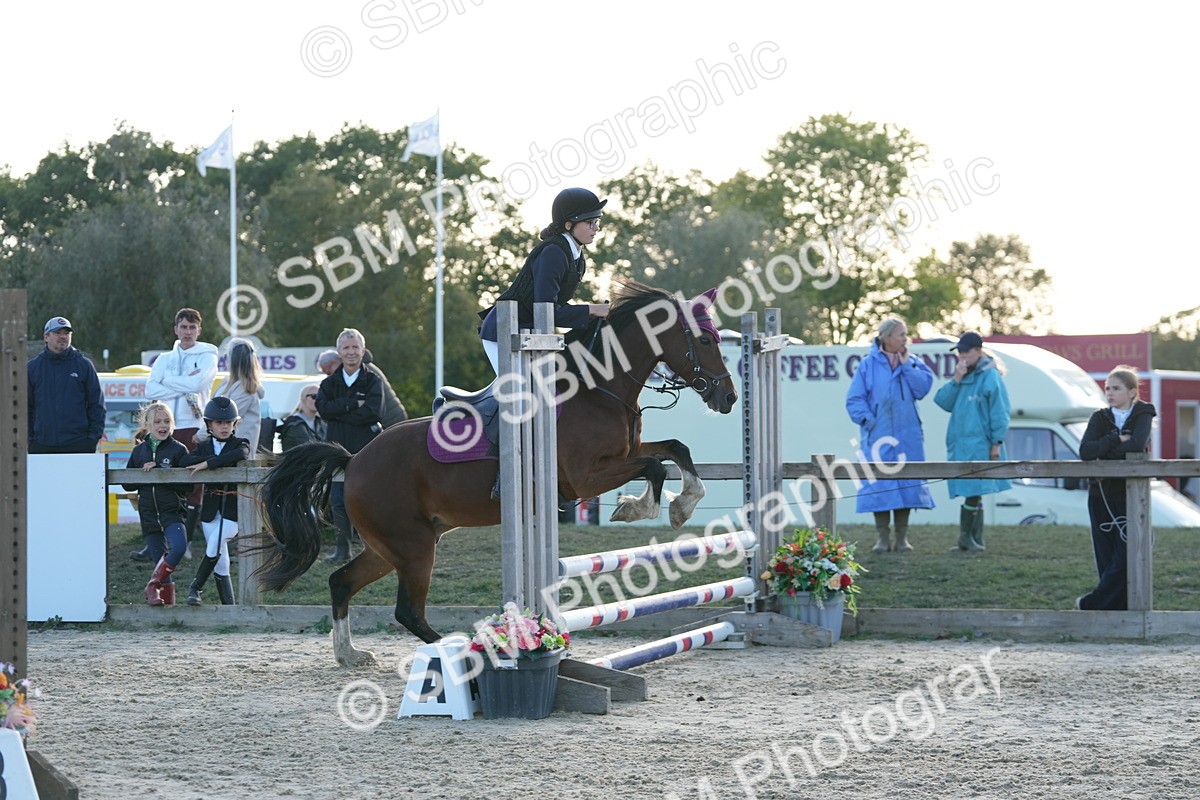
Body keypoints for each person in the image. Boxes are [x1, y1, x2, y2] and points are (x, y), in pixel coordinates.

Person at [477, 187, 611, 374]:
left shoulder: (576, 257)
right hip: (503, 332)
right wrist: (592, 309)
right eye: (590, 222)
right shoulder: (554, 253)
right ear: (568, 225)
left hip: (530, 333)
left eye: (597, 221)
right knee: (521, 390)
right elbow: (547, 310)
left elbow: (556, 307)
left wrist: (594, 315)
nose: (596, 228)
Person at [845, 316, 936, 553]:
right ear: (886, 337)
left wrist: (906, 366)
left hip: (908, 436)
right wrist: (869, 420)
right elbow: (854, 399)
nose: (906, 339)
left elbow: (922, 389)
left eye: (905, 334)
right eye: (901, 335)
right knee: (879, 484)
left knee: (907, 482)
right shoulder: (867, 365)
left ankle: (902, 538)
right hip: (879, 435)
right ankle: (882, 539)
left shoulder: (913, 362)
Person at [1076, 366, 1156, 611]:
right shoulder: (1099, 417)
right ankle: (1114, 611)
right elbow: (1085, 451)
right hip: (1100, 493)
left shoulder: (1143, 412)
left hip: (1131, 496)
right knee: (1106, 555)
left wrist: (1103, 453)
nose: (1109, 393)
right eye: (1107, 388)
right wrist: (1115, 439)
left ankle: (1091, 604)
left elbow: (1137, 445)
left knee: (1129, 554)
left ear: (1131, 392)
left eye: (1116, 388)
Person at [144, 308, 219, 561]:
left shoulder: (208, 356)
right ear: (176, 329)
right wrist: (182, 381)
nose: (187, 332)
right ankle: (157, 540)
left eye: (192, 327)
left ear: (199, 330)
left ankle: (184, 543)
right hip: (165, 426)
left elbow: (198, 385)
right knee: (161, 483)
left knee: (192, 484)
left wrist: (167, 382)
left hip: (194, 426)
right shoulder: (164, 359)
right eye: (183, 327)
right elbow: (149, 389)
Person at [934, 331, 1012, 552]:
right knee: (974, 490)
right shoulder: (964, 376)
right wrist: (956, 380)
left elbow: (1000, 412)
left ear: (978, 351)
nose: (961, 356)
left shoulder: (990, 376)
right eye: (959, 352)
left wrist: (996, 443)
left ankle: (967, 538)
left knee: (974, 490)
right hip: (961, 444)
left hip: (980, 444)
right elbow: (942, 401)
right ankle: (975, 539)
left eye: (965, 352)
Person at [316, 328, 383, 562]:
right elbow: (323, 410)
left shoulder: (373, 380)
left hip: (366, 449)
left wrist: (339, 412)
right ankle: (342, 549)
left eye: (355, 347)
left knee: (368, 499)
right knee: (338, 501)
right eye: (346, 347)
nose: (351, 352)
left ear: (363, 351)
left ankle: (373, 549)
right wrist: (352, 404)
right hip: (337, 449)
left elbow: (373, 412)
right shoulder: (329, 384)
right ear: (339, 351)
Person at [181, 397, 251, 605]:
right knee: (221, 561)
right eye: (219, 423)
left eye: (228, 422)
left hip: (233, 511)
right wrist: (210, 461)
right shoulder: (203, 446)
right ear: (209, 425)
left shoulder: (240, 443)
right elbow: (186, 460)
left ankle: (195, 588)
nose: (224, 427)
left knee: (215, 543)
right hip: (210, 511)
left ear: (234, 424)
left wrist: (208, 464)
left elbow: (241, 454)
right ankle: (229, 608)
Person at [121, 401, 191, 606]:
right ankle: (167, 613)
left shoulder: (179, 450)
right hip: (149, 514)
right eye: (158, 422)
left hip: (172, 513)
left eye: (167, 421)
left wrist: (161, 470)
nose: (163, 426)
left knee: (178, 548)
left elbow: (188, 487)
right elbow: (126, 484)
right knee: (160, 560)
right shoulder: (138, 451)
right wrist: (143, 472)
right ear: (147, 425)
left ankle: (152, 585)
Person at [27, 316, 106, 454]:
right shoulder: (32, 368)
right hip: (42, 445)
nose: (63, 336)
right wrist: (30, 440)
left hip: (78, 445)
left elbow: (96, 406)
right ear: (46, 337)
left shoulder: (84, 365)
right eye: (57, 332)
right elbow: (25, 407)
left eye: (67, 333)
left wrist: (91, 440)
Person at [210, 338, 265, 456]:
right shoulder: (227, 383)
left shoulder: (244, 389)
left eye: (226, 357)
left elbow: (226, 416)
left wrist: (200, 435)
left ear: (233, 360)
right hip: (223, 450)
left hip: (237, 454)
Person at [279, 383, 326, 451]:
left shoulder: (322, 423)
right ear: (303, 398)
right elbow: (307, 449)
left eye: (321, 397)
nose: (318, 400)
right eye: (314, 396)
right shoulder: (294, 424)